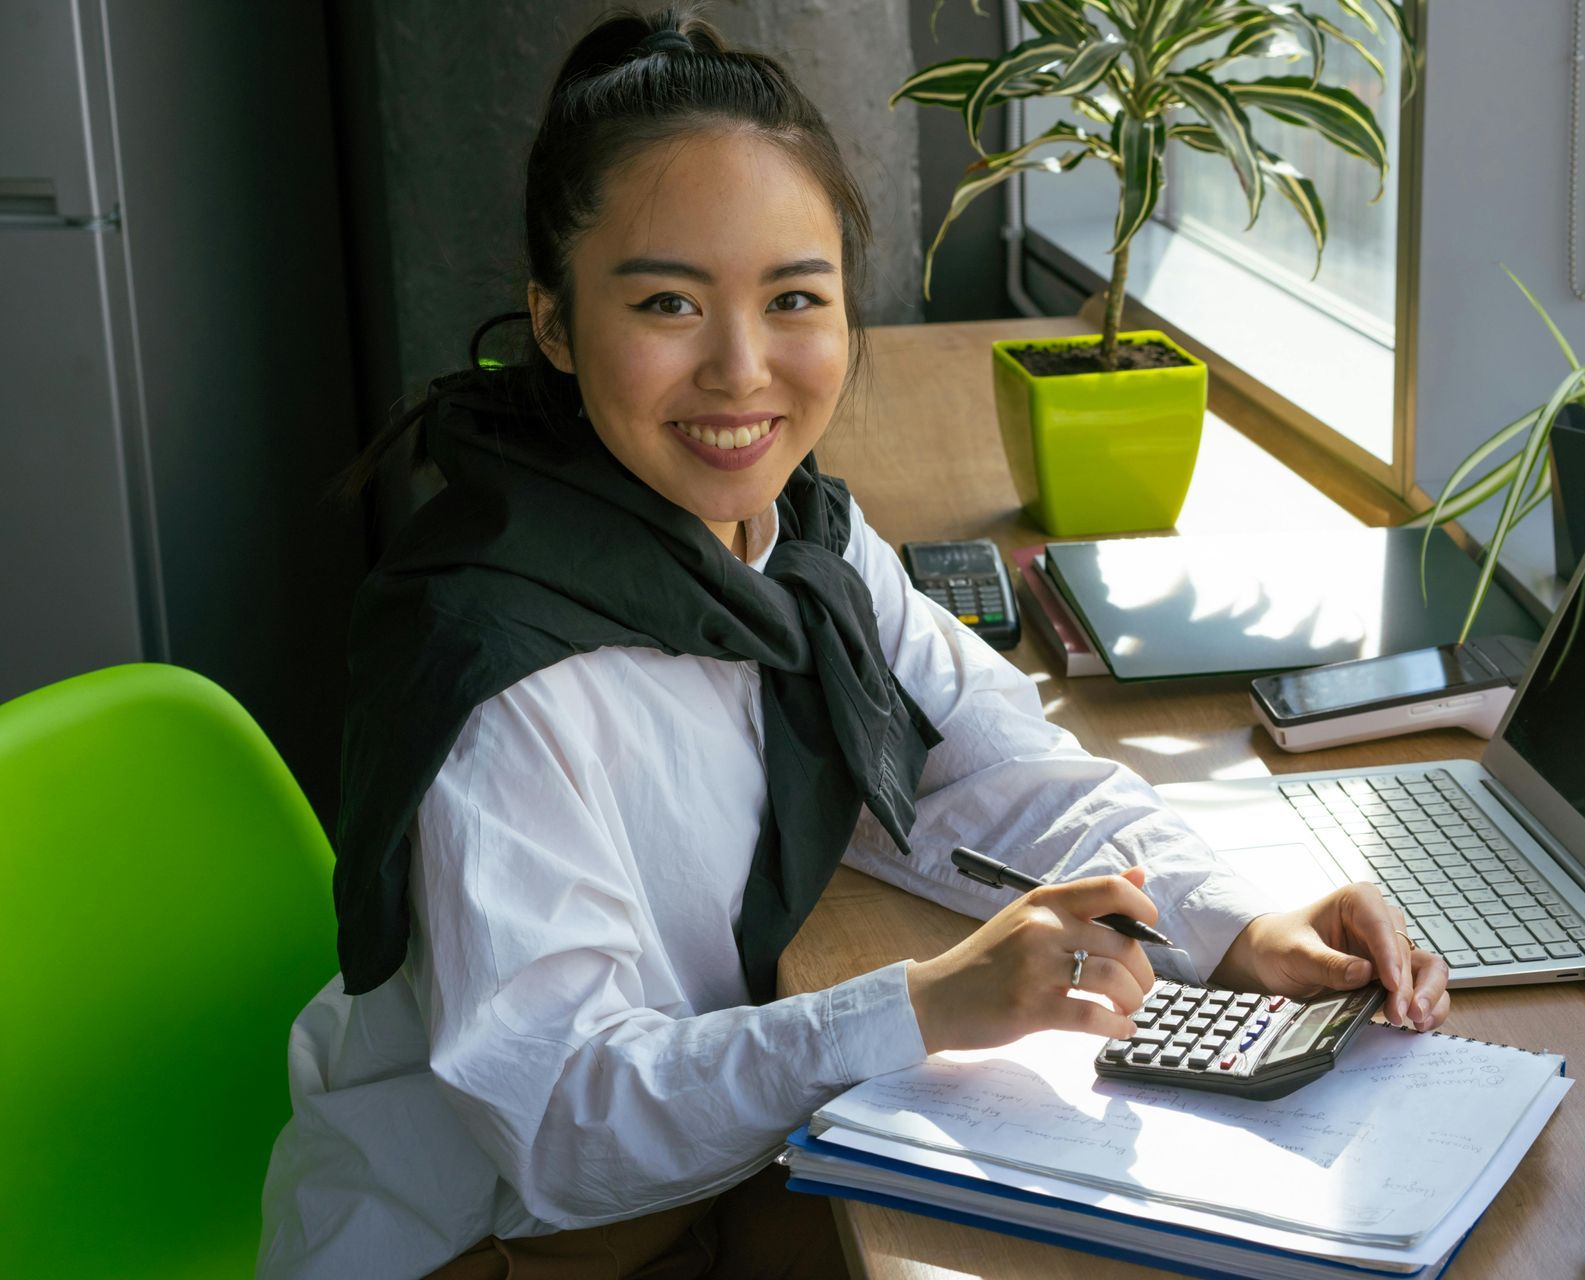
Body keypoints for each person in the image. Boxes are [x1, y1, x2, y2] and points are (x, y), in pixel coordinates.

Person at [258, 8, 1452, 1278]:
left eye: (793, 298)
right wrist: (928, 1000)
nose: (740, 366)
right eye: (667, 300)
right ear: (552, 322)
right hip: (483, 1240)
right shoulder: (500, 665)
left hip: (684, 1183)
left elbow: (992, 769)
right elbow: (562, 1123)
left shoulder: (801, 545)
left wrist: (1237, 918)